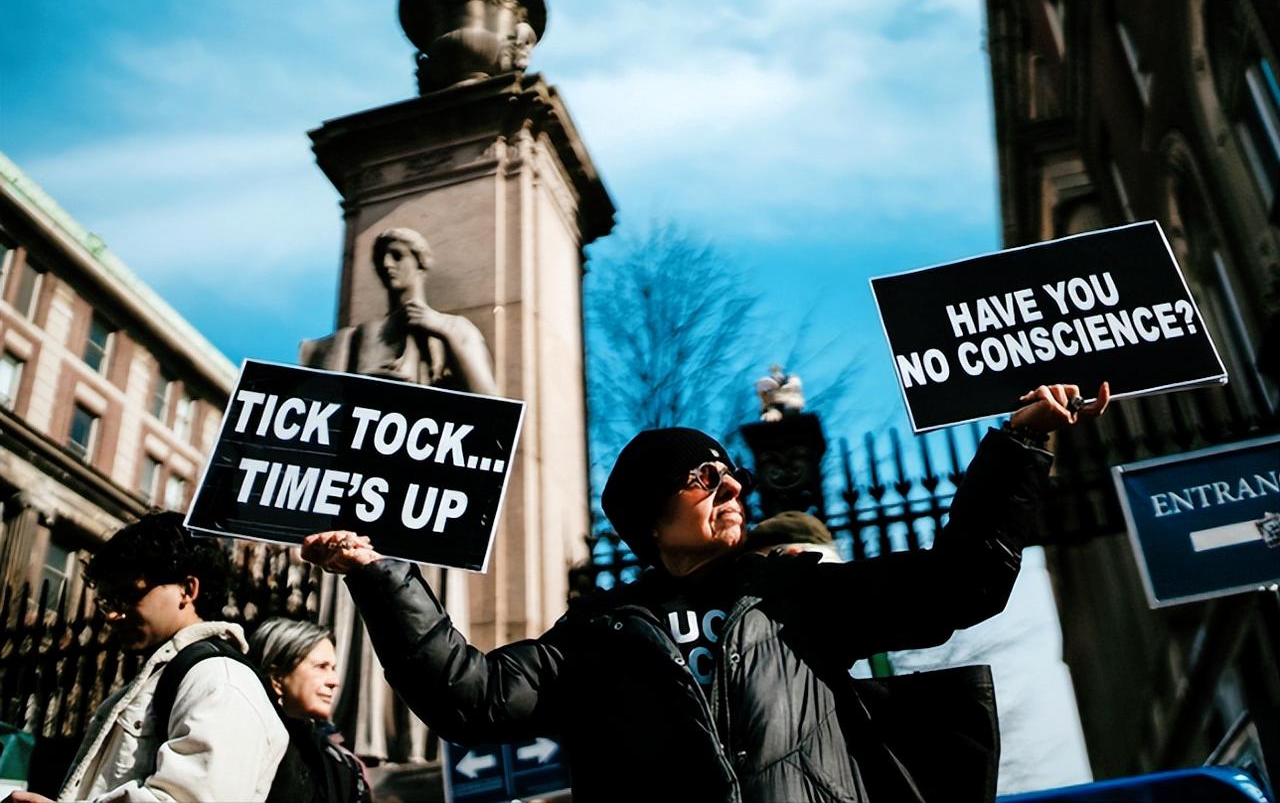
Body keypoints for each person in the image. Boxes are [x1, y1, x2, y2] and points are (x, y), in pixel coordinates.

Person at [302, 382, 1109, 802]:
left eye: (736, 475)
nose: (731, 487)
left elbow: (960, 585)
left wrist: (1019, 442)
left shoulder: (795, 592)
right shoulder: (599, 632)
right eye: (703, 476)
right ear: (650, 513)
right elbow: (467, 697)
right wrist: (380, 572)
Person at [4, 512, 288, 803]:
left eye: (128, 596)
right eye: (107, 602)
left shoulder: (220, 680)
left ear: (188, 590)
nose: (114, 615)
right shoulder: (169, 676)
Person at [299, 226, 499, 396]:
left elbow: (490, 400)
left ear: (420, 262)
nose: (387, 265)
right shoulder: (356, 337)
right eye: (381, 259)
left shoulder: (455, 326)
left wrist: (445, 331)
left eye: (397, 256)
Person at [247, 619, 372, 803]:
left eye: (333, 668)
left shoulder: (341, 764)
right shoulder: (249, 751)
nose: (334, 681)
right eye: (321, 667)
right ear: (277, 679)